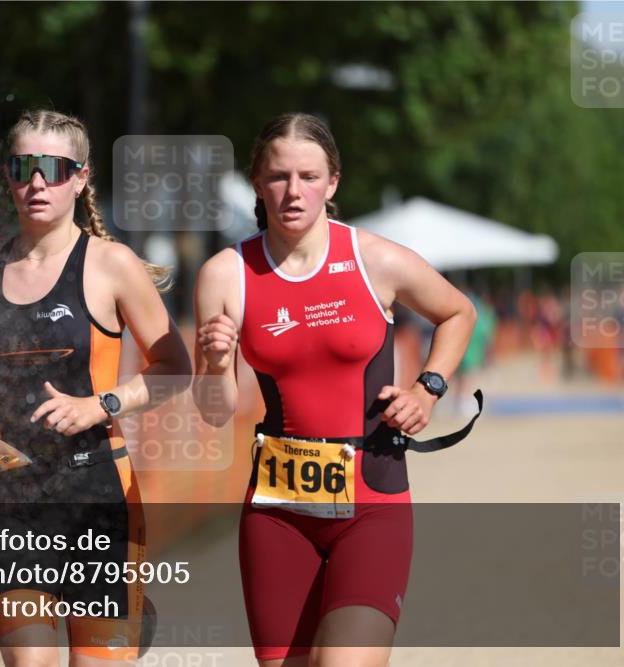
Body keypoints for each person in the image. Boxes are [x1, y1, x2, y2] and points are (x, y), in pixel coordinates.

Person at [0, 109, 192, 666]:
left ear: (80, 179)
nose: (37, 182)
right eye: (24, 167)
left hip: (99, 497)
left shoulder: (110, 264)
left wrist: (100, 405)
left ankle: (126, 617)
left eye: (54, 169)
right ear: (7, 174)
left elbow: (176, 367)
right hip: (14, 501)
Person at [192, 113, 478, 667]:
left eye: (308, 176)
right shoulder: (226, 275)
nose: (293, 191)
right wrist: (213, 362)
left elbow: (457, 312)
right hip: (278, 515)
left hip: (372, 506)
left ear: (333, 183)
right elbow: (215, 411)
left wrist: (428, 389)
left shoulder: (373, 259)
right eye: (278, 177)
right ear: (257, 183)